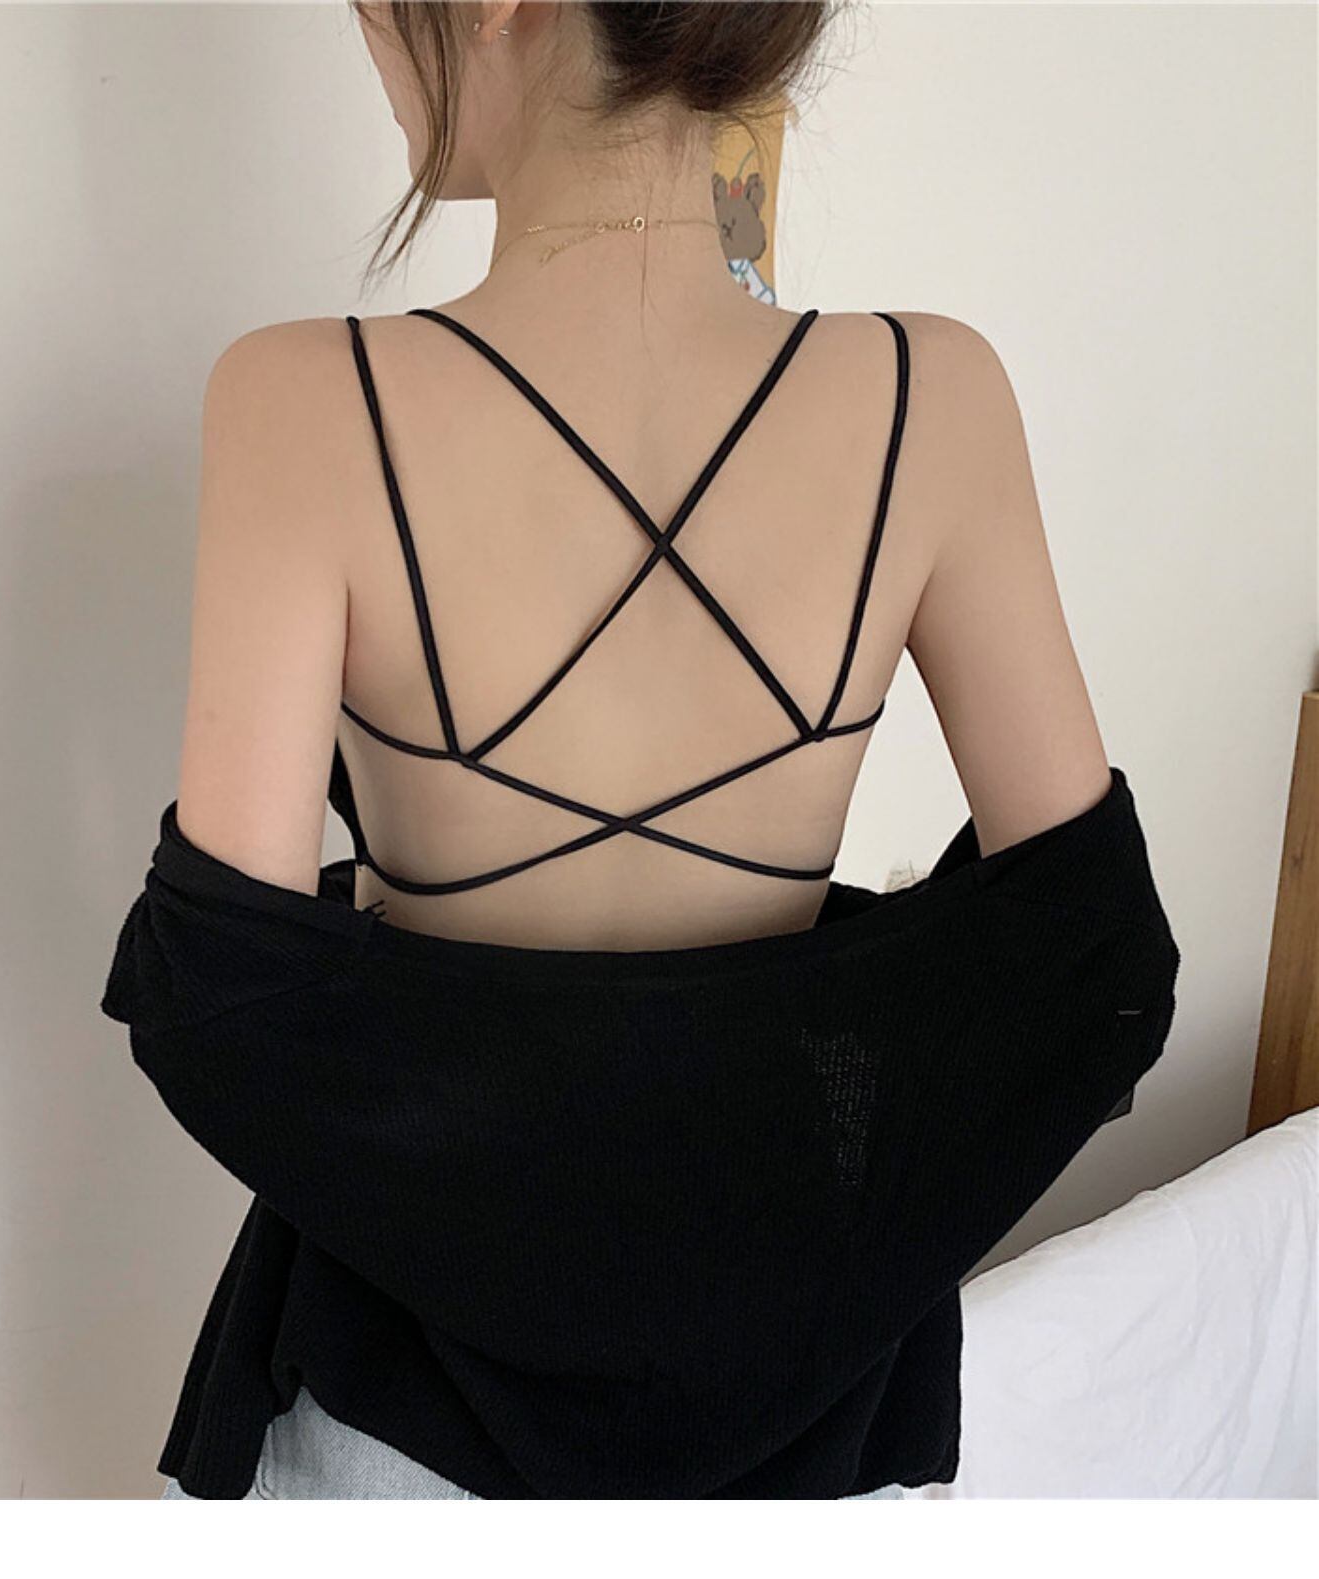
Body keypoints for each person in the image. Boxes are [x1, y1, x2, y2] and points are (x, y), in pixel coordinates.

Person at [147, 0, 1124, 1500]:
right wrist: (843, 1196)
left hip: (411, 1421)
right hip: (816, 1433)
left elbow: (226, 1002)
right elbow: (1094, 967)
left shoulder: (300, 400)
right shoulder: (934, 397)